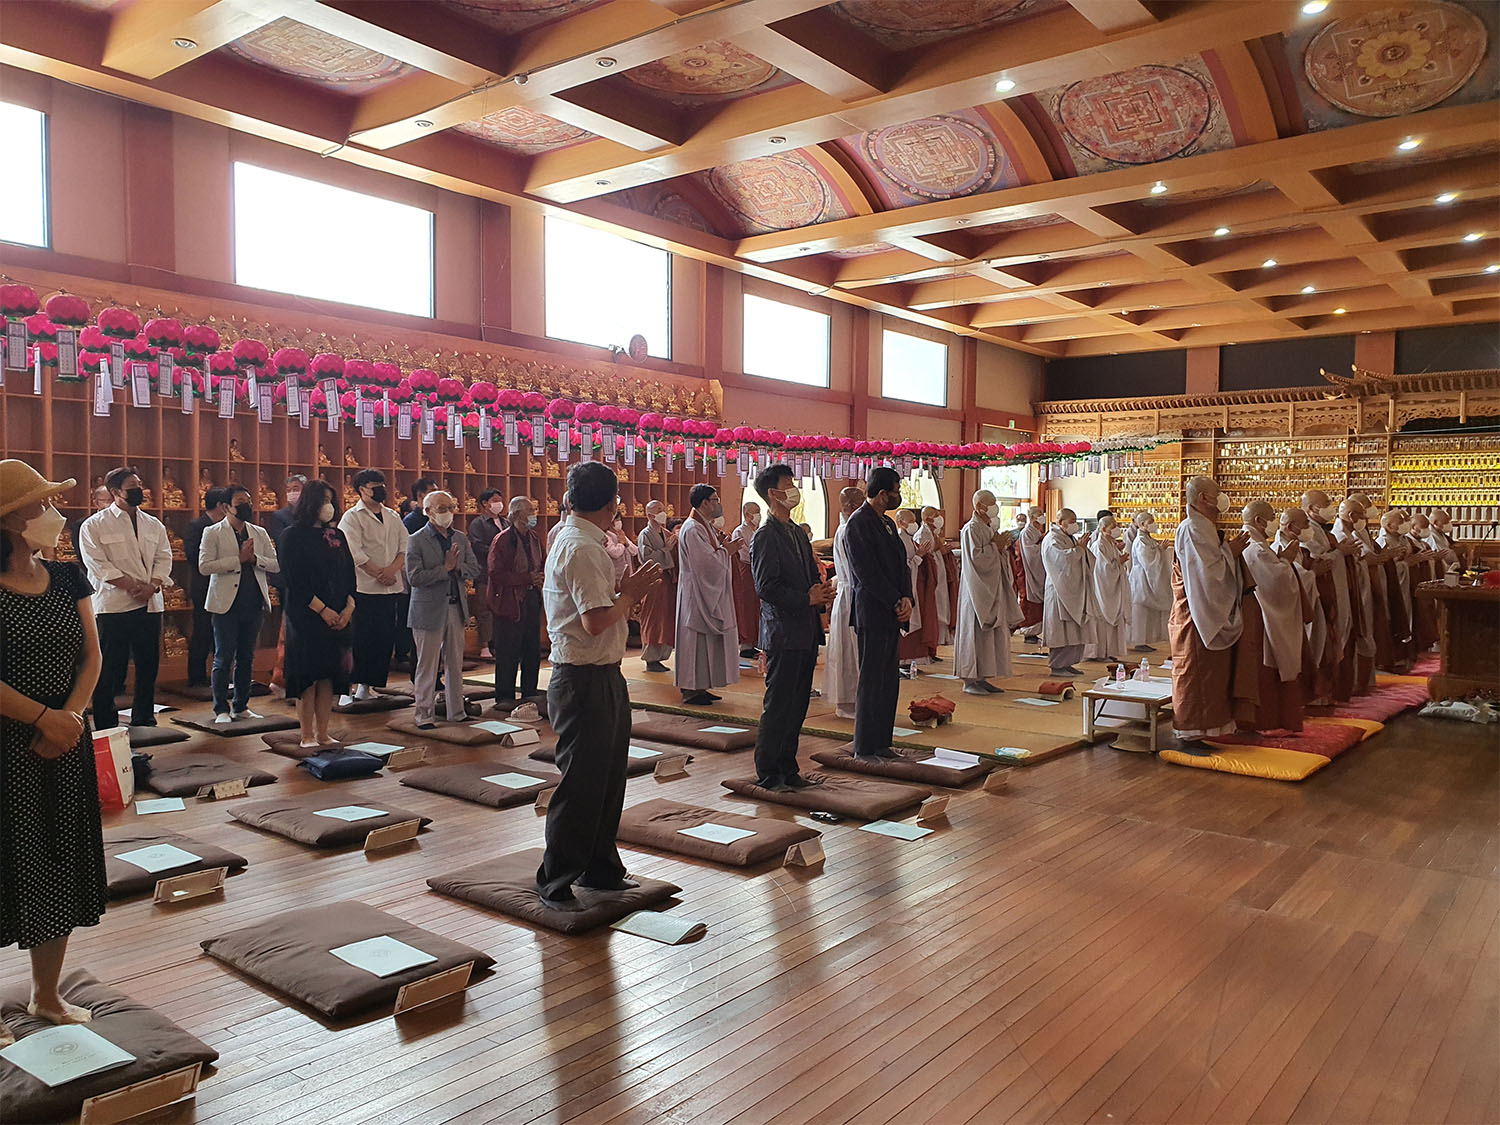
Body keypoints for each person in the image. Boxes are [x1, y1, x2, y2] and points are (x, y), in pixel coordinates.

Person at [0, 461, 107, 1043]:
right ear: (11, 522)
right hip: (10, 742)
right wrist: (43, 719)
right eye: (41, 506)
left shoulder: (67, 578)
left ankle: (46, 995)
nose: (53, 515)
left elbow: (92, 656)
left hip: (64, 740)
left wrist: (69, 718)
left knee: (57, 862)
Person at [537, 462, 661, 911]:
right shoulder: (582, 547)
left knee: (607, 778)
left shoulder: (579, 539)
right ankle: (556, 879)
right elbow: (593, 621)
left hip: (600, 673)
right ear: (613, 505)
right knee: (582, 783)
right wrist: (630, 594)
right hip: (582, 676)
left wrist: (623, 595)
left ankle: (600, 867)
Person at [750, 464, 832, 788]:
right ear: (773, 493)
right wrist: (805, 598)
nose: (794, 489)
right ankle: (769, 772)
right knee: (779, 704)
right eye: (789, 483)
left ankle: (788, 767)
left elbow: (810, 574)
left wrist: (820, 591)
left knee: (798, 705)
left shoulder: (797, 532)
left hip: (806, 629)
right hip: (783, 632)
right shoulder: (765, 535)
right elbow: (766, 587)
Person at [79, 466, 173, 731]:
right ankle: (106, 723)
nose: (138, 490)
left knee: (148, 665)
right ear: (115, 492)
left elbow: (164, 557)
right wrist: (132, 586)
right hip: (114, 605)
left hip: (150, 603)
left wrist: (152, 585)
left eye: (139, 484)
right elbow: (97, 565)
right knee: (110, 668)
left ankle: (144, 718)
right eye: (132, 486)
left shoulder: (153, 524)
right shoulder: (94, 525)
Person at [1170, 477, 1249, 744]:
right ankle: (1192, 730)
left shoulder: (1204, 526)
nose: (1223, 498)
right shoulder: (1192, 527)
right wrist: (1230, 552)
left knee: (1214, 672)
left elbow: (1212, 565)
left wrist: (1227, 551)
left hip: (1209, 606)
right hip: (1195, 611)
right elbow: (1204, 573)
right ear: (1203, 498)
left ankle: (1213, 727)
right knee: (1196, 671)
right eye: (1218, 493)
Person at [278, 480, 356, 748]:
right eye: (323, 501)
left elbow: (349, 574)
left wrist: (348, 608)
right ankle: (307, 735)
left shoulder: (337, 535)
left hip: (339, 614)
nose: (328, 506)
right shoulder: (292, 536)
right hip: (307, 616)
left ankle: (323, 732)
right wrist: (323, 610)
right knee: (308, 677)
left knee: (328, 675)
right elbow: (293, 580)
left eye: (331, 501)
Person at [843, 467, 913, 761]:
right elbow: (866, 572)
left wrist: (907, 597)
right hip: (873, 610)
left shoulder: (887, 522)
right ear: (883, 494)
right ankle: (864, 745)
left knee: (888, 680)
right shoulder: (858, 523)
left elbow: (902, 564)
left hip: (892, 611)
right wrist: (894, 599)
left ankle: (883, 741)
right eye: (896, 490)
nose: (899, 496)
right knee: (872, 679)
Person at [199, 485, 278, 723]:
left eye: (249, 501)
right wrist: (238, 560)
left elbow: (275, 564)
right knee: (223, 658)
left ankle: (241, 706)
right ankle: (220, 709)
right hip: (225, 604)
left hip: (253, 602)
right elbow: (204, 566)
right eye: (240, 502)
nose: (247, 506)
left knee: (246, 657)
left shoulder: (259, 532)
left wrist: (254, 559)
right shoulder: (213, 532)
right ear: (226, 507)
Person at [406, 491, 482, 730]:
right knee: (427, 666)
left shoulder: (459, 537)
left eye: (451, 507)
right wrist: (445, 568)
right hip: (427, 610)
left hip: (455, 607)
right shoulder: (416, 539)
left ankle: (456, 712)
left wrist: (457, 568)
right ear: (428, 511)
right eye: (442, 509)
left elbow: (474, 568)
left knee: (455, 664)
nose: (448, 513)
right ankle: (424, 715)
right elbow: (414, 578)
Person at [338, 468, 407, 707]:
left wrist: (392, 571)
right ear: (362, 490)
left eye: (382, 485)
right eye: (374, 486)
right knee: (359, 638)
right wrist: (378, 572)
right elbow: (353, 551)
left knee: (383, 638)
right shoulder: (352, 517)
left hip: (390, 587)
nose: (380, 490)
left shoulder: (393, 516)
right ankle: (347, 688)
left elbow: (404, 547)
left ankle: (368, 686)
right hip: (364, 587)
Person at [1238, 501, 1308, 733]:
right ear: (1259, 521)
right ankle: (1263, 722)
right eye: (1271, 517)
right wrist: (1286, 561)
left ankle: (1273, 721)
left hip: (1264, 614)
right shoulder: (1255, 548)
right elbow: (1276, 581)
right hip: (1262, 617)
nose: (1274, 522)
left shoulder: (1259, 545)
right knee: (1265, 671)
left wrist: (1283, 561)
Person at [674, 484, 739, 706]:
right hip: (697, 592)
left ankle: (701, 685)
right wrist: (726, 551)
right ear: (704, 503)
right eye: (715, 499)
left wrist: (723, 548)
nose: (718, 504)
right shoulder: (693, 528)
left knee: (704, 643)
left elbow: (711, 555)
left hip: (704, 590)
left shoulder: (704, 526)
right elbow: (705, 564)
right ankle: (691, 689)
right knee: (694, 640)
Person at [954, 489, 1020, 694]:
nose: (994, 507)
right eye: (990, 503)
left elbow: (996, 556)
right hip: (977, 590)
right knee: (974, 632)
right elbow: (976, 560)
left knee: (990, 637)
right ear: (979, 506)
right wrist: (995, 547)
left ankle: (983, 676)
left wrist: (1001, 548)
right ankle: (970, 680)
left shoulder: (988, 527)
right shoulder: (970, 529)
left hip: (992, 588)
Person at [488, 496, 545, 710]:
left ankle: (530, 692)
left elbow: (542, 562)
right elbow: (495, 573)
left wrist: (538, 577)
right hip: (509, 602)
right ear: (518, 514)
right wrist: (526, 578)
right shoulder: (502, 540)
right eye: (530, 511)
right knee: (508, 651)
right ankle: (504, 697)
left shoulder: (534, 538)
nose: (533, 514)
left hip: (532, 599)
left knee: (532, 649)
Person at [1301, 489, 1357, 704]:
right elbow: (1315, 560)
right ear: (1311, 509)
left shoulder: (1323, 531)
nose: (1330, 506)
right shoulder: (1307, 532)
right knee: (1320, 641)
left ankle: (1328, 693)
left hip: (1333, 591)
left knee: (1332, 641)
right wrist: (1340, 552)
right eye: (1326, 503)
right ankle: (1316, 695)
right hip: (1320, 595)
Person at [825, 487, 864, 720]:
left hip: (853, 594)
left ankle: (856, 699)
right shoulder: (847, 530)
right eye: (860, 503)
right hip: (850, 595)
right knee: (847, 653)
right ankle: (846, 702)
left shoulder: (854, 528)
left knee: (854, 651)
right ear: (850, 506)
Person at [182, 486, 226, 688]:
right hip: (204, 586)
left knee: (222, 635)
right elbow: (192, 555)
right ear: (220, 505)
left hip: (225, 586)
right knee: (203, 631)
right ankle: (197, 677)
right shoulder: (197, 526)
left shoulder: (227, 526)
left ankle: (221, 676)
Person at [265, 474, 304, 695]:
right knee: (289, 630)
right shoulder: (280, 516)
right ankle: (283, 678)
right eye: (289, 489)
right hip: (288, 578)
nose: (292, 493)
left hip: (315, 579)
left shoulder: (318, 514)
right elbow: (283, 543)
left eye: (296, 488)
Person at [1040, 509, 1090, 676]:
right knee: (1061, 630)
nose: (1075, 524)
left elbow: (1081, 556)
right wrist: (1079, 550)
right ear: (1061, 522)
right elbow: (1061, 560)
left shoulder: (1069, 537)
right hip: (1059, 590)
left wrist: (1082, 549)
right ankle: (1057, 666)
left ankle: (1067, 663)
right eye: (1072, 521)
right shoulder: (1052, 539)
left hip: (1073, 590)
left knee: (1073, 630)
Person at [637, 500, 677, 672]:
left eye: (663, 509)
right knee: (653, 617)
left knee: (665, 617)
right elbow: (647, 557)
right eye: (659, 510)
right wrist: (666, 549)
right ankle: (650, 658)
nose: (663, 512)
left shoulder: (666, 533)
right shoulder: (645, 534)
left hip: (666, 580)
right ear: (649, 515)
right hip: (652, 580)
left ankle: (660, 656)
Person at [468, 487, 507, 660]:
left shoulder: (505, 523)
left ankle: (499, 644)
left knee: (502, 610)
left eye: (500, 500)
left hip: (504, 574)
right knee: (484, 609)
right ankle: (484, 646)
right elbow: (477, 546)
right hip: (485, 573)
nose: (499, 504)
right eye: (495, 500)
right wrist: (497, 552)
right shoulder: (478, 524)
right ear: (485, 504)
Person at [1088, 513, 1130, 666]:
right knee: (1102, 620)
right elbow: (1103, 569)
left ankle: (1109, 651)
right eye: (1114, 526)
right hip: (1103, 588)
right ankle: (1099, 652)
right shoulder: (1098, 545)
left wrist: (1119, 561)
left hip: (1113, 588)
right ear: (1104, 528)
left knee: (1113, 621)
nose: (1117, 529)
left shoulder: (1110, 544)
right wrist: (1118, 562)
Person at [1128, 511, 1171, 652]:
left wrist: (1160, 549)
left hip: (1147, 578)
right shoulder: (1140, 540)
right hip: (1141, 579)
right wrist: (1160, 550)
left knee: (1148, 613)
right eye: (1150, 522)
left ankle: (1145, 640)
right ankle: (1138, 641)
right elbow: (1148, 560)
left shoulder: (1148, 539)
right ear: (1142, 524)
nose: (1154, 524)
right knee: (1141, 611)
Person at [917, 506, 957, 650]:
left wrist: (942, 551)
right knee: (936, 605)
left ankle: (941, 639)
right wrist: (940, 552)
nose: (939, 518)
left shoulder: (933, 533)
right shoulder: (922, 535)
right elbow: (925, 557)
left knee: (943, 603)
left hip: (940, 574)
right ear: (927, 519)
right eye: (935, 515)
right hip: (932, 577)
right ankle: (933, 643)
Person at [894, 508, 929, 670]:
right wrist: (918, 556)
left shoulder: (909, 538)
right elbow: (901, 567)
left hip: (915, 585)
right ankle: (901, 661)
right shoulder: (898, 539)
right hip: (905, 588)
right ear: (901, 522)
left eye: (915, 521)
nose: (914, 524)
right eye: (911, 521)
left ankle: (910, 660)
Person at [729, 501, 762, 657]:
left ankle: (754, 642)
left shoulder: (757, 531)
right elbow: (744, 554)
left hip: (756, 572)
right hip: (745, 571)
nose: (758, 515)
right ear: (747, 514)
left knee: (755, 607)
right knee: (745, 607)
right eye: (756, 511)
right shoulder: (739, 532)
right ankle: (745, 644)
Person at [1017, 505, 1046, 640]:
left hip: (1037, 572)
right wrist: (1043, 544)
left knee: (1038, 606)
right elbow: (1031, 553)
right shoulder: (1026, 532)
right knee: (1029, 603)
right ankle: (1028, 632)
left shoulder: (1036, 531)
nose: (1042, 515)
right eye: (1039, 513)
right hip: (1028, 572)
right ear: (1033, 517)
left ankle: (1035, 631)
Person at [604, 511, 637, 586]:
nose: (619, 522)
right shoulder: (606, 536)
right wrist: (621, 543)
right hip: (615, 576)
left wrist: (626, 543)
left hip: (628, 573)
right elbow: (615, 553)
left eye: (620, 519)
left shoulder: (620, 534)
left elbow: (635, 551)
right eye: (616, 520)